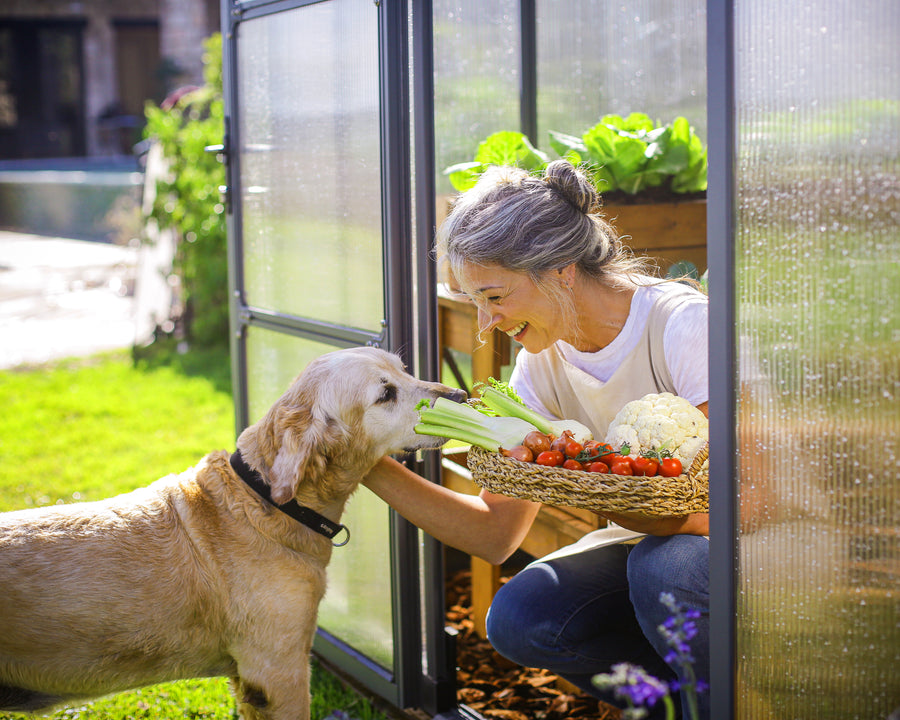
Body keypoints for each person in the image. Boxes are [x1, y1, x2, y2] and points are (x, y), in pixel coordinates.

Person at [362, 160, 709, 720]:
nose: (485, 323)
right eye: (476, 301)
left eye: (494, 297)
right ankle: (679, 707)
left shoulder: (682, 325)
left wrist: (583, 483)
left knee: (664, 570)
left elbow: (732, 508)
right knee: (523, 616)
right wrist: (366, 464)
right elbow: (497, 532)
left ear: (562, 270)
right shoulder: (539, 363)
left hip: (761, 542)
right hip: (652, 544)